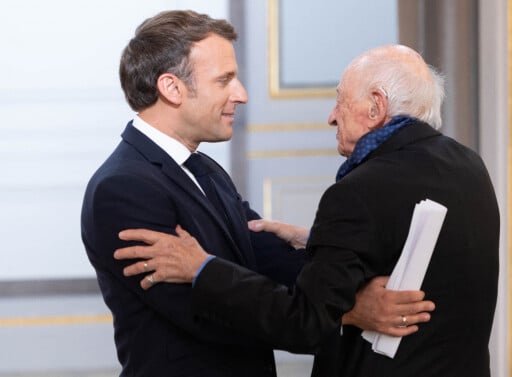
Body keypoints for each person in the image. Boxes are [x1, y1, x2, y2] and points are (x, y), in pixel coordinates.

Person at [81, 10, 435, 377]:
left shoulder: (205, 170)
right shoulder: (122, 188)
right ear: (172, 88)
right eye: (225, 80)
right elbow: (206, 314)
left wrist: (337, 282)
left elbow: (265, 258)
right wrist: (349, 309)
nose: (242, 94)